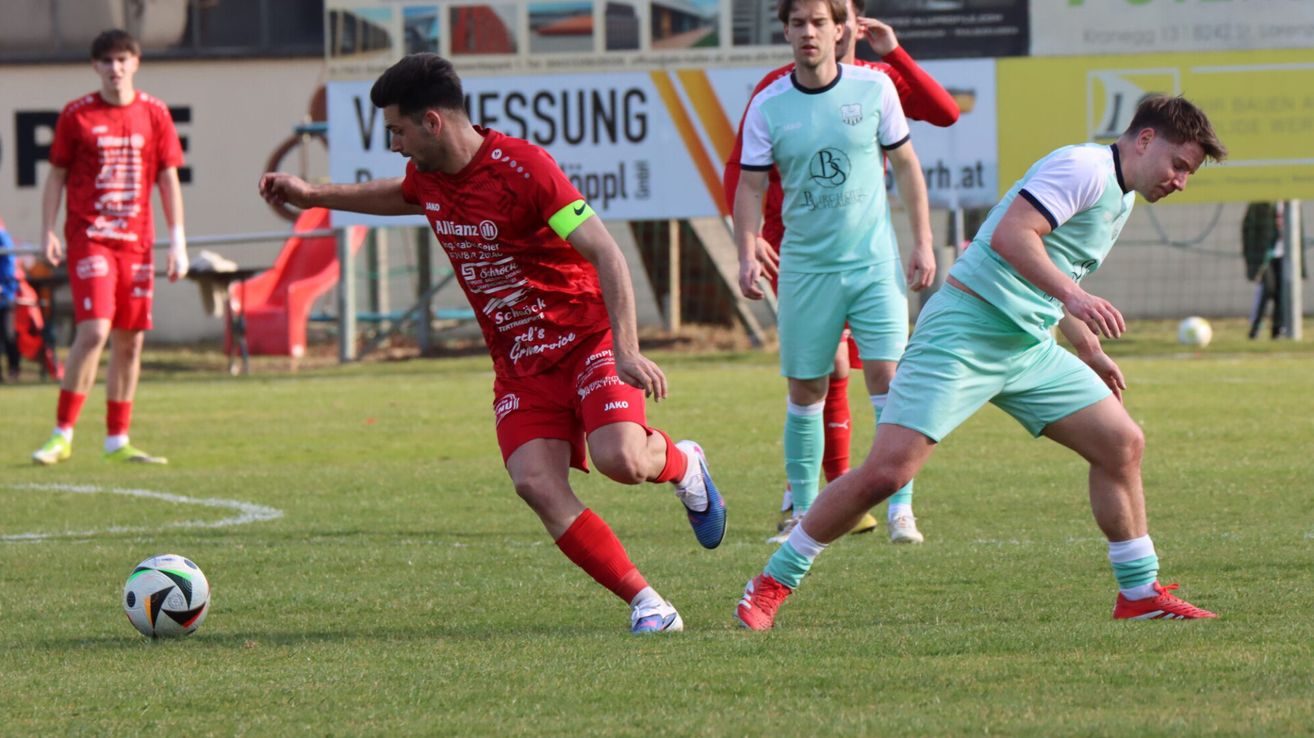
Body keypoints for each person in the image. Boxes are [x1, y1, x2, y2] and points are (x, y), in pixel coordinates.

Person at [258, 53, 726, 634]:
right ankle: (649, 604)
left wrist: (627, 349)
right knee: (535, 483)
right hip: (520, 364)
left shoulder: (525, 170)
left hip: (586, 340)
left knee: (623, 460)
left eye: (398, 131)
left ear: (432, 122)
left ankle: (685, 464)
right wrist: (311, 194)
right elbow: (398, 194)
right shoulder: (429, 177)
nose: (394, 145)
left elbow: (606, 252)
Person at [735, 94, 1228, 630]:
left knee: (1121, 443)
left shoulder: (1121, 194)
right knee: (886, 474)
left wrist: (1088, 349)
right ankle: (772, 581)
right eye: (1179, 165)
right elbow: (1011, 236)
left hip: (1027, 346)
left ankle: (1139, 592)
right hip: (964, 333)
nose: (1181, 181)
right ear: (1146, 140)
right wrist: (1076, 297)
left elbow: (1057, 270)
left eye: (1188, 173)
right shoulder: (1083, 168)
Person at [724, 0, 958, 544]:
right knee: (807, 387)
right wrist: (745, 249)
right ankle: (804, 516)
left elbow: (908, 166)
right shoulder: (768, 103)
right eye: (798, 23)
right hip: (806, 270)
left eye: (819, 23)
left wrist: (922, 243)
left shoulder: (875, 88)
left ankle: (901, 510)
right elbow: (749, 184)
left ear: (840, 30)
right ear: (786, 31)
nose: (808, 32)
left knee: (888, 382)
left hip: (873, 264)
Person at [31, 28, 189, 465]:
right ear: (95, 66)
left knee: (130, 340)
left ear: (136, 63)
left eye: (122, 60)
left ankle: (117, 439)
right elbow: (57, 175)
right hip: (91, 238)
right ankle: (61, 434)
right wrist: (47, 230)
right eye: (107, 61)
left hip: (137, 242)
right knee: (95, 330)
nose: (115, 68)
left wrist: (178, 242)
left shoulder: (155, 113)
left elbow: (168, 179)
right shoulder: (77, 115)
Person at [1242, 201, 1284, 339]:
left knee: (1282, 292)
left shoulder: (1292, 203)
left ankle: (1277, 330)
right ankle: (1255, 328)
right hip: (1264, 255)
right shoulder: (1260, 204)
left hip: (1285, 255)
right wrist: (1251, 257)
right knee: (1267, 288)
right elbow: (1248, 230)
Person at [0, 217, 21, 382]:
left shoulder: (3, 237)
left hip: (5, 296)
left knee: (8, 335)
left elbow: (9, 264)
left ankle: (14, 369)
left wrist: (4, 286)